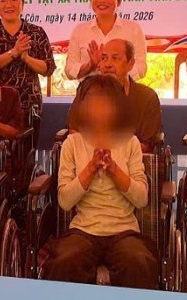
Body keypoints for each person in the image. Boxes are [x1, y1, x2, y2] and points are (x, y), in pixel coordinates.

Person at [45, 75, 158, 288]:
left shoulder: (131, 142)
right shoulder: (72, 144)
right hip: (84, 229)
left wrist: (114, 171)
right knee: (63, 262)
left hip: (124, 231)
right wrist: (90, 169)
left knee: (139, 262)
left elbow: (141, 199)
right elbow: (65, 202)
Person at [0, 0, 56, 118]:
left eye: (14, 0)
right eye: (3, 1)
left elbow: (48, 68)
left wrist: (26, 58)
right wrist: (14, 52)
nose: (9, 5)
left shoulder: (36, 32)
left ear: (22, 5)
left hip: (30, 103)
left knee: (30, 139)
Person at [65, 0, 147, 82]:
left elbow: (141, 67)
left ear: (119, 0)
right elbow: (69, 70)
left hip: (122, 94)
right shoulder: (80, 30)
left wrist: (115, 72)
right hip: (89, 94)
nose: (102, 0)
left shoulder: (133, 29)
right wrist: (90, 66)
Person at [90, 38, 161, 153]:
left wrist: (113, 153)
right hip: (89, 161)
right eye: (104, 58)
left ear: (130, 64)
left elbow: (146, 145)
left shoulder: (147, 97)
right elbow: (74, 134)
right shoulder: (87, 93)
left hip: (131, 164)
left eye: (115, 58)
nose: (108, 64)